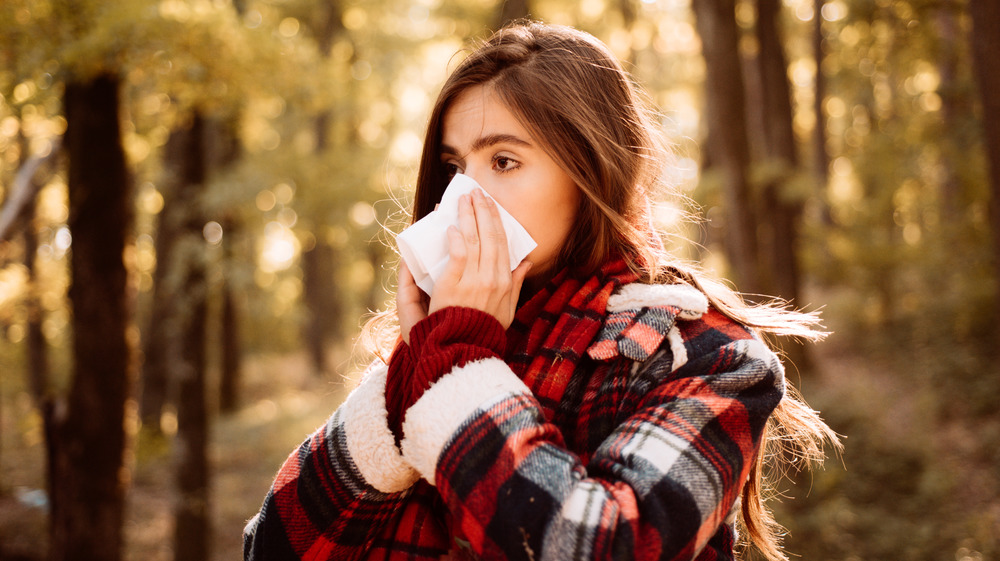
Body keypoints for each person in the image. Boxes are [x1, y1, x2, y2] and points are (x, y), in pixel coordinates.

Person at [243, 21, 839, 561]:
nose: (463, 201)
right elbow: (271, 549)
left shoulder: (709, 357)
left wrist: (457, 367)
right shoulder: (436, 348)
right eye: (455, 168)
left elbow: (602, 547)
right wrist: (414, 369)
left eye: (503, 161)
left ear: (593, 171)